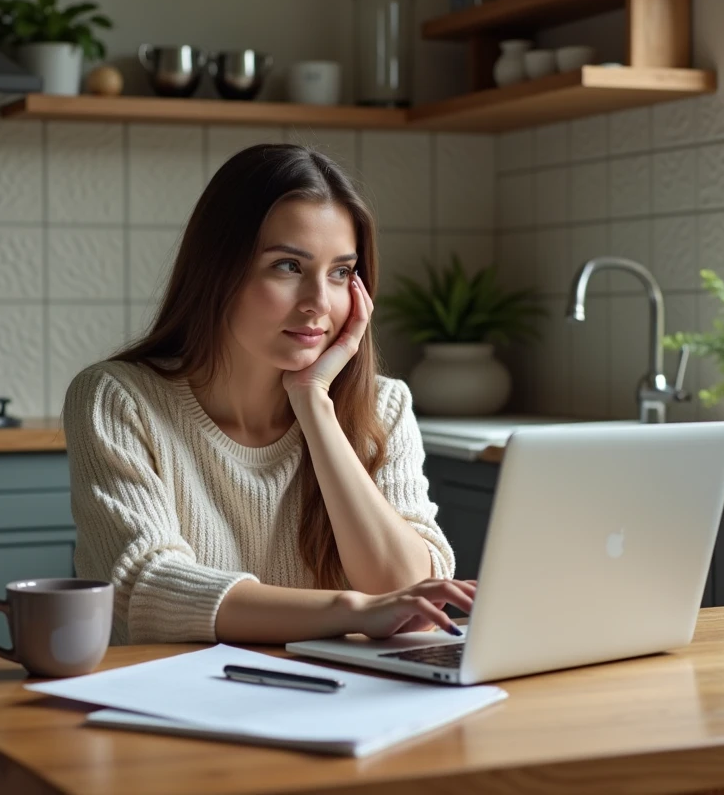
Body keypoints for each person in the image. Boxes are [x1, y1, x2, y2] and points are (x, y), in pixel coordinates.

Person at [63, 143, 475, 646]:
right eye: (288, 267)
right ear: (219, 270)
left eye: (341, 273)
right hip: (173, 690)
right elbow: (145, 588)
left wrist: (314, 405)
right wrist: (349, 609)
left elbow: (408, 596)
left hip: (333, 691)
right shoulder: (117, 399)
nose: (319, 303)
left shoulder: (383, 406)